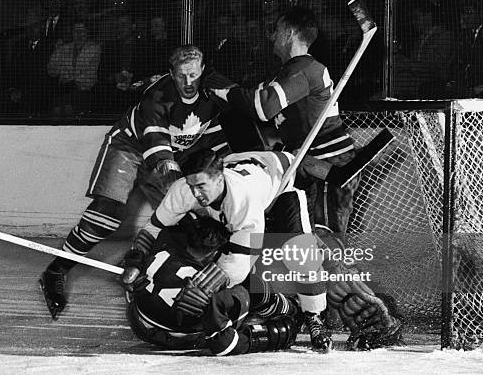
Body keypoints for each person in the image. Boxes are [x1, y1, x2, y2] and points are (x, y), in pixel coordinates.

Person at [39, 45, 234, 320]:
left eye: (193, 75)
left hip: (172, 155)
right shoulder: (156, 97)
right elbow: (159, 154)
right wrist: (183, 193)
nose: (188, 83)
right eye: (181, 76)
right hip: (130, 147)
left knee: (183, 221)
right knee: (107, 215)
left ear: (202, 71)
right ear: (171, 74)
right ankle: (56, 270)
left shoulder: (213, 93)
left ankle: (144, 269)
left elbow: (220, 142)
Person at [122, 149, 333, 351]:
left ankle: (314, 316)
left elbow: (238, 266)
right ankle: (263, 304)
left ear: (219, 179)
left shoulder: (244, 203)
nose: (195, 193)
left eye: (201, 186)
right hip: (241, 167)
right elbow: (154, 227)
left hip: (281, 181)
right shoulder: (183, 189)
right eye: (191, 185)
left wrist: (204, 289)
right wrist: (136, 261)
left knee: (301, 252)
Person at [211, 6, 359, 236]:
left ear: (289, 33)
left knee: (326, 243)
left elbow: (262, 107)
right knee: (303, 244)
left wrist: (221, 88)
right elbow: (252, 100)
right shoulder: (288, 71)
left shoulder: (305, 69)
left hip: (328, 166)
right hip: (309, 164)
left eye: (277, 30)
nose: (272, 36)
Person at [124, 213, 304, 355]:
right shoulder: (208, 289)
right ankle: (290, 308)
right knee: (247, 281)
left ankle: (281, 306)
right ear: (214, 252)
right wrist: (272, 335)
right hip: (185, 338)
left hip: (140, 323)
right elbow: (224, 344)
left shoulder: (164, 239)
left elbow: (140, 248)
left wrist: (135, 267)